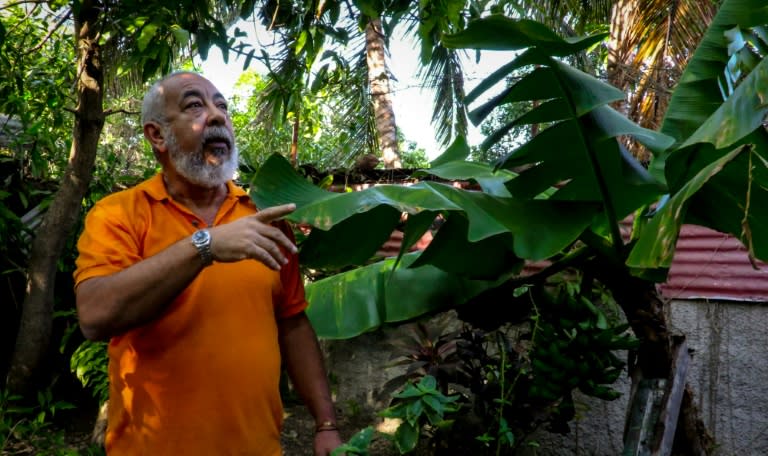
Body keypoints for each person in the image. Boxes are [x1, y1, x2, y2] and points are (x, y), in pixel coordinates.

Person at [74, 71, 342, 455]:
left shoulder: (263, 215)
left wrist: (326, 423)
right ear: (157, 135)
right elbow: (95, 315)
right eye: (195, 105)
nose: (217, 115)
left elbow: (293, 322)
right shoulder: (119, 214)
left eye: (222, 105)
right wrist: (204, 246)